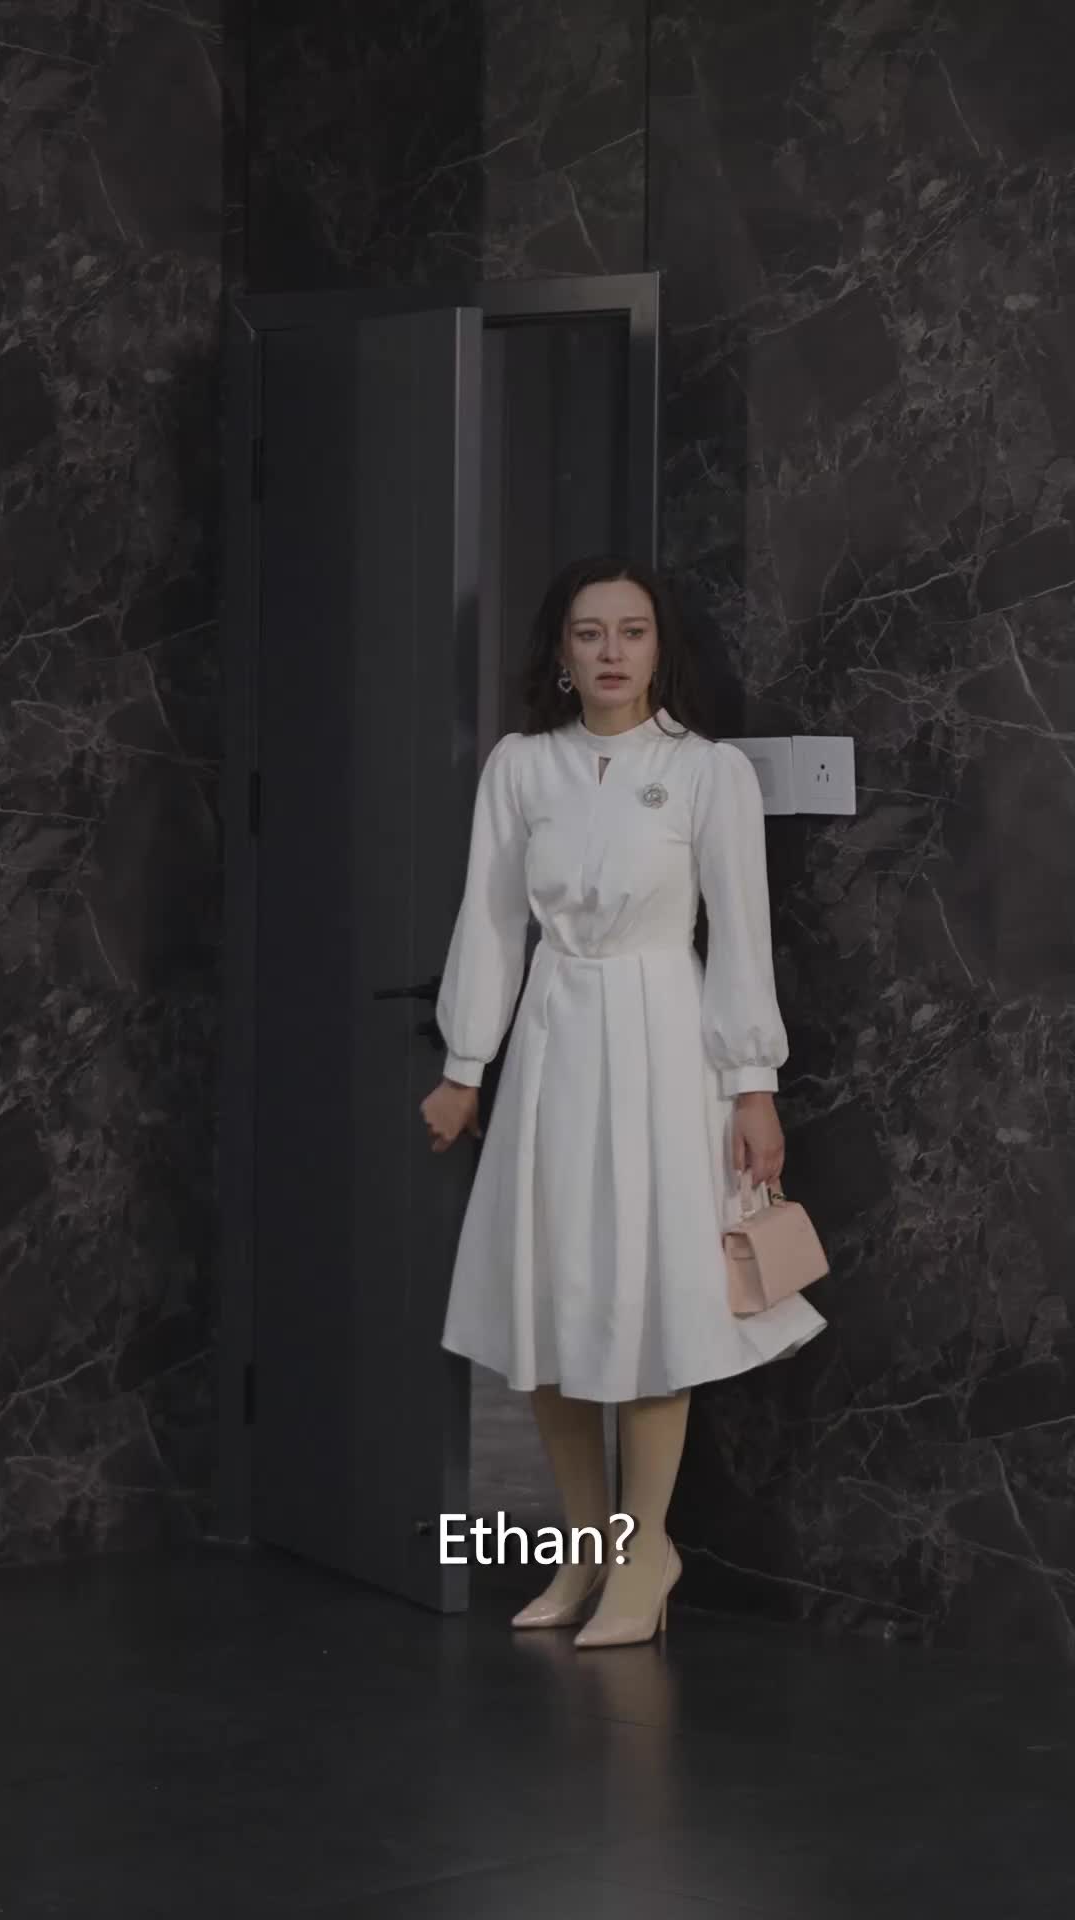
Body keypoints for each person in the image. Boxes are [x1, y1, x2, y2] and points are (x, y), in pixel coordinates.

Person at [419, 556, 825, 1647]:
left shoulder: (705, 772)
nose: (610, 651)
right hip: (554, 1038)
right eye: (589, 632)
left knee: (657, 1295)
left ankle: (647, 1554)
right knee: (548, 1294)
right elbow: (491, 921)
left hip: (664, 1040)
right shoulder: (521, 767)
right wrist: (465, 1067)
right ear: (561, 651)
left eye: (631, 631)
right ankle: (587, 1545)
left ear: (658, 647)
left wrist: (753, 1086)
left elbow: (740, 936)